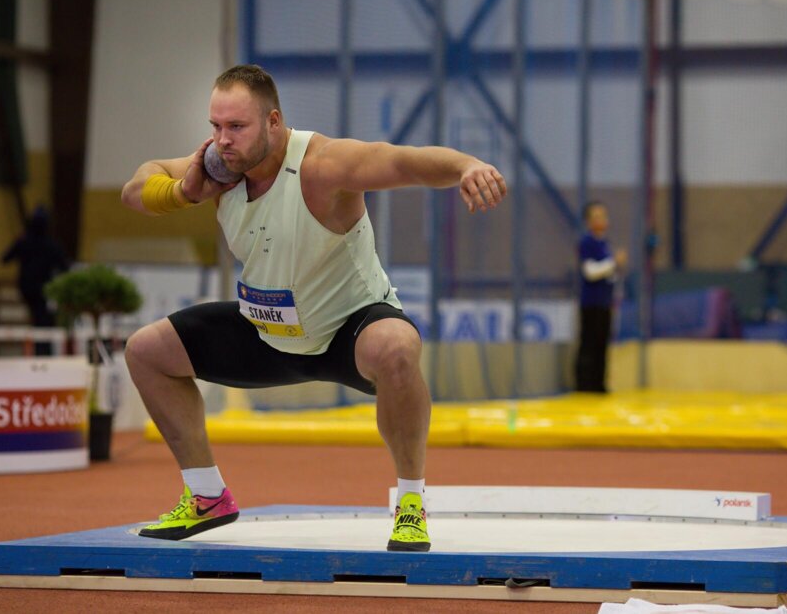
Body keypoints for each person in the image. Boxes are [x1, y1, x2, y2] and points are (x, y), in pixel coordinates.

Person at [121, 65, 506, 551]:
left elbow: (401, 161)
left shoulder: (323, 165)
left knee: (398, 348)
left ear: (274, 122)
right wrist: (183, 192)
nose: (223, 141)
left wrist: (465, 167)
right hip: (266, 333)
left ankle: (410, 503)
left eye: (236, 127)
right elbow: (135, 188)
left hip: (349, 330)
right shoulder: (218, 171)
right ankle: (206, 496)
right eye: (215, 127)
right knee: (145, 351)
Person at [575, 201, 625, 393]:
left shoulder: (604, 243)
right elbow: (590, 271)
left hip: (605, 302)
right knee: (589, 344)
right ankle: (585, 385)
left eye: (603, 216)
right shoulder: (587, 242)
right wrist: (613, 263)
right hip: (591, 303)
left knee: (602, 344)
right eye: (596, 217)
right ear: (588, 221)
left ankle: (599, 384)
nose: (601, 220)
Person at [1, 206, 70, 327]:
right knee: (42, 315)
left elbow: (5, 258)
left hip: (27, 287)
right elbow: (64, 267)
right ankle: (42, 341)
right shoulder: (51, 244)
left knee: (40, 315)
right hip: (43, 288)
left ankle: (41, 339)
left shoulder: (24, 241)